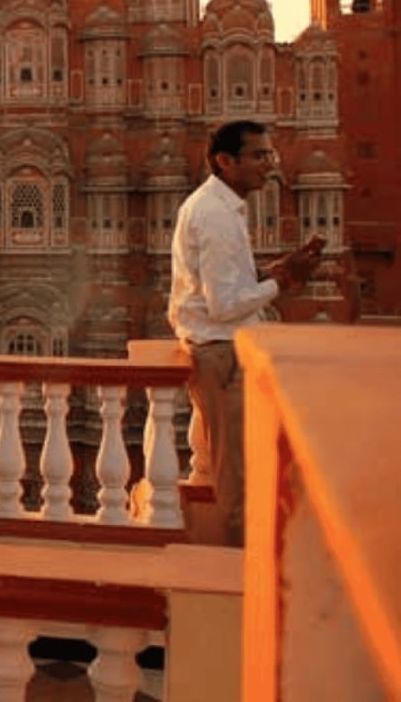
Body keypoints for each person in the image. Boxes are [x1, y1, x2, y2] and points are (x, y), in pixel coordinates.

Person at [168, 120, 324, 547]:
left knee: (245, 467)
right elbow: (223, 306)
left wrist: (274, 271)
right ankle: (238, 566)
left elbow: (224, 285)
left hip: (225, 351)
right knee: (239, 476)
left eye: (269, 154)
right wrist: (283, 281)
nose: (268, 165)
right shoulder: (215, 215)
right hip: (223, 355)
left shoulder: (219, 208)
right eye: (258, 155)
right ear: (226, 161)